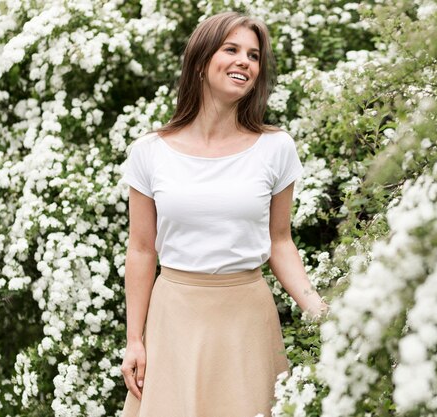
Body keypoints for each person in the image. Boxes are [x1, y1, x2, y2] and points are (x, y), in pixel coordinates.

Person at [118, 11, 329, 417]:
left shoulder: (276, 147)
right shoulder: (149, 151)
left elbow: (280, 242)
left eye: (253, 55)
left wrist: (318, 310)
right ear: (200, 61)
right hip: (174, 318)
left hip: (246, 320)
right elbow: (142, 251)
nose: (244, 62)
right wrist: (135, 340)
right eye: (231, 49)